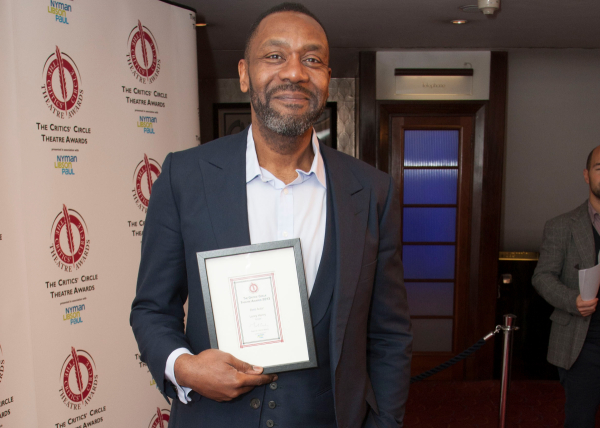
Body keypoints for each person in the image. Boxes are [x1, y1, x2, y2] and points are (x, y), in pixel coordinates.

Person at [130, 3, 412, 427]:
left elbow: (389, 334)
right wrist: (184, 368)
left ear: (326, 79)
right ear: (245, 73)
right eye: (275, 56)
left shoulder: (373, 191)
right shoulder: (184, 176)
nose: (295, 72)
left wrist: (386, 422)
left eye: (312, 59)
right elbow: (152, 308)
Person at [532, 145, 600, 427]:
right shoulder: (561, 225)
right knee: (580, 420)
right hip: (583, 344)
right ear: (587, 175)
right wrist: (573, 300)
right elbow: (542, 277)